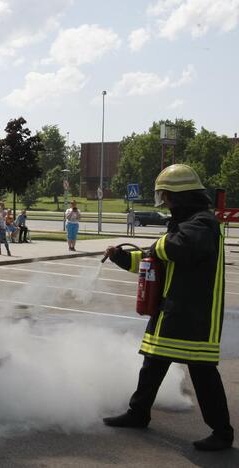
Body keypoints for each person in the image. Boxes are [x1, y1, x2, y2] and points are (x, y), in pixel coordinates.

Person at [102, 164, 233, 451]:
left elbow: (177, 249)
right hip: (172, 311)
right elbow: (154, 261)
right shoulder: (181, 226)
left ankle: (222, 433)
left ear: (180, 196)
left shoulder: (203, 224)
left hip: (197, 316)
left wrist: (156, 246)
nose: (166, 203)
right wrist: (122, 258)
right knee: (152, 363)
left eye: (168, 197)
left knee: (203, 374)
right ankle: (138, 413)